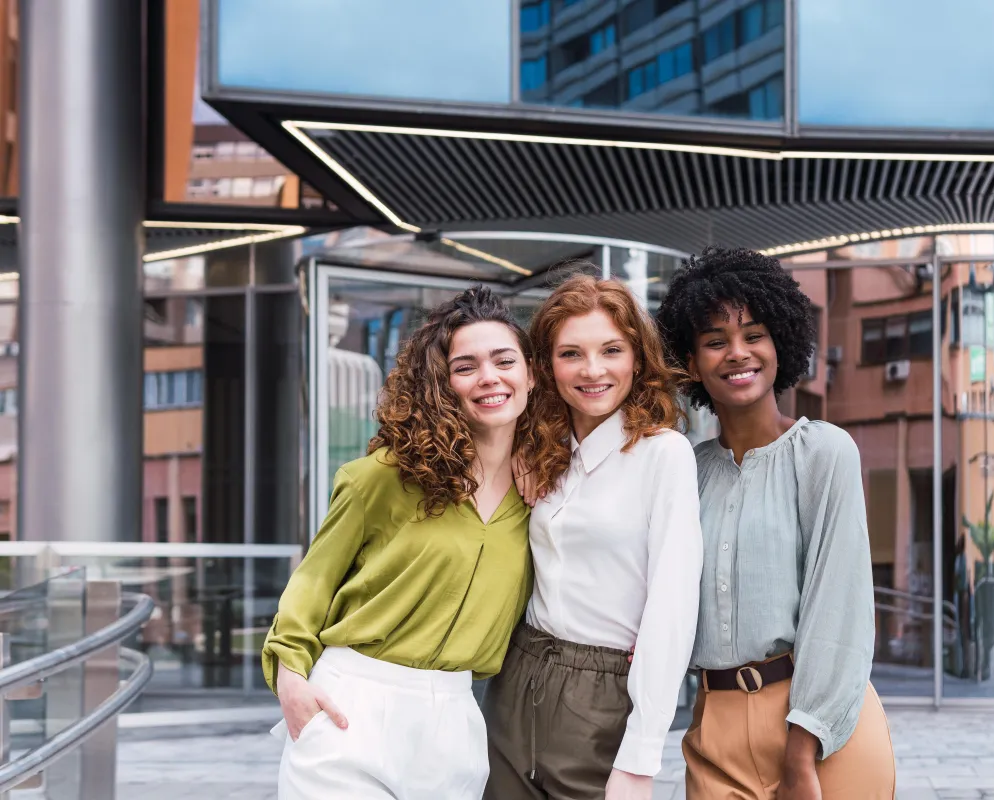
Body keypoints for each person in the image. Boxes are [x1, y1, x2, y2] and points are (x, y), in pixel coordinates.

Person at [262, 287, 536, 800]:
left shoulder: (543, 492)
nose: (489, 377)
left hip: (454, 722)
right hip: (353, 705)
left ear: (531, 374)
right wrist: (289, 676)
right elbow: (314, 581)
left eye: (504, 361)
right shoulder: (382, 478)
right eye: (465, 367)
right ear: (442, 383)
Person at [655, 247, 896, 800]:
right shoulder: (684, 471)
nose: (737, 353)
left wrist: (801, 750)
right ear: (691, 360)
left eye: (754, 335)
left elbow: (839, 610)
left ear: (779, 343)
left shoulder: (824, 453)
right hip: (714, 729)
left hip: (820, 730)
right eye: (715, 340)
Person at [489, 272, 704, 800]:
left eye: (611, 350)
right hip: (517, 678)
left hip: (603, 694)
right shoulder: (540, 448)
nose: (592, 370)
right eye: (571, 354)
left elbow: (672, 609)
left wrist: (641, 757)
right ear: (545, 366)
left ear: (638, 358)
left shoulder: (663, 454)